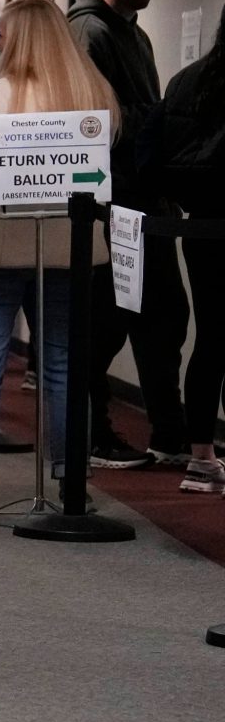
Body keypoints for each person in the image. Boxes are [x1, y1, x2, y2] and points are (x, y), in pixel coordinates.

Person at [0, 0, 114, 511]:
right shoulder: (89, 93)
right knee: (62, 367)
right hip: (70, 254)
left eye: (0, 33)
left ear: (18, 39)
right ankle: (69, 481)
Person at [69, 0, 186, 467]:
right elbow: (98, 120)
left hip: (144, 195)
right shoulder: (89, 31)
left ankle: (169, 433)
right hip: (115, 199)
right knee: (110, 319)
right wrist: (161, 124)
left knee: (162, 316)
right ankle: (93, 433)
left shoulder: (132, 35)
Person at [155, 34, 225, 493]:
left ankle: (201, 455)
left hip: (200, 229)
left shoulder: (187, 81)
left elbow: (157, 148)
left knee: (213, 338)